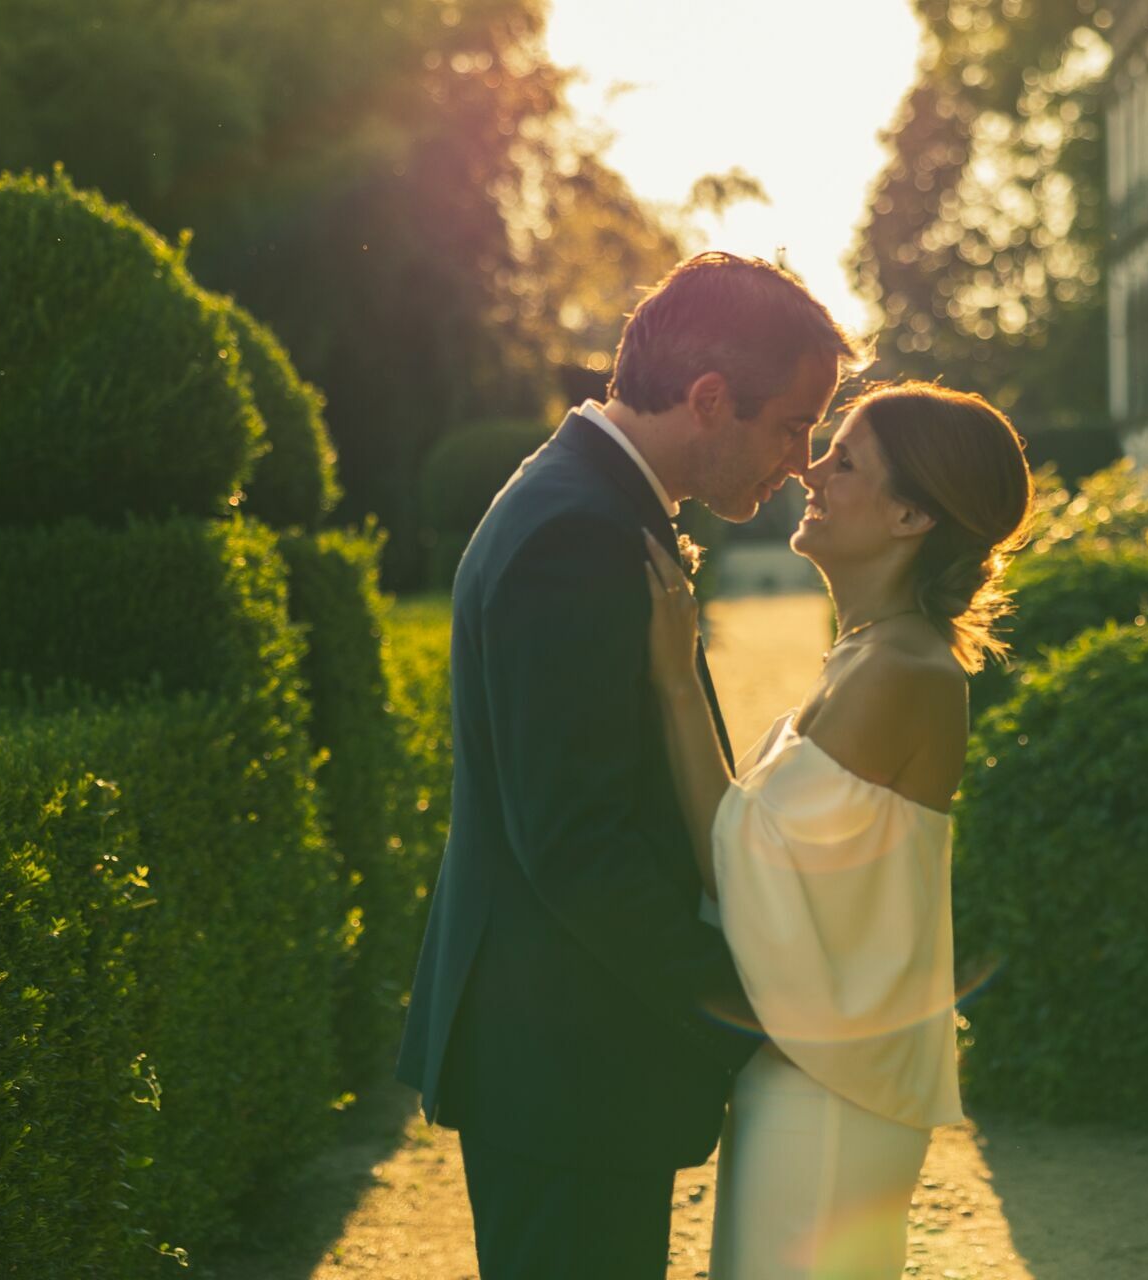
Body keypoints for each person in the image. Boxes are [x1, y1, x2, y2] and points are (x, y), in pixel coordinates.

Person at [395, 251, 864, 1278]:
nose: (803, 458)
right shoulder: (580, 532)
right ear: (708, 398)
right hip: (562, 1054)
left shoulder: (588, 500)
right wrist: (744, 1003)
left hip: (565, 1043)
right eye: (794, 423)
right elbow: (574, 841)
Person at [642, 380, 1033, 1277]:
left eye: (844, 458)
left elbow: (733, 861)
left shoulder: (902, 670)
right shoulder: (871, 652)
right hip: (817, 1075)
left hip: (832, 1093)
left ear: (908, 518)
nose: (809, 469)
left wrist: (671, 680)